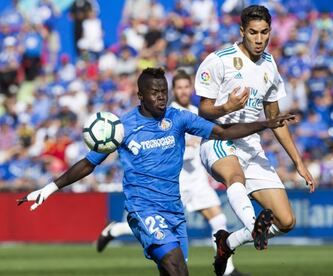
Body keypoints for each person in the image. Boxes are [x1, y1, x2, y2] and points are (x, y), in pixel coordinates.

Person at [18, 68, 294, 276]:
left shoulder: (178, 118)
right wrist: (49, 188)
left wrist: (265, 124)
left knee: (171, 271)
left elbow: (222, 132)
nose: (161, 96)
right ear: (140, 95)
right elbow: (89, 163)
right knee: (178, 269)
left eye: (164, 91)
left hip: (174, 211)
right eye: (155, 92)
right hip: (144, 210)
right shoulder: (123, 128)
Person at [194, 5, 316, 275]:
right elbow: (204, 109)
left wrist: (298, 162)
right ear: (242, 32)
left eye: (264, 33)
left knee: (286, 221)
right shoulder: (220, 60)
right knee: (234, 177)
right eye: (253, 33)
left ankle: (228, 242)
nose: (259, 39)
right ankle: (252, 226)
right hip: (219, 137)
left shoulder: (270, 66)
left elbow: (274, 119)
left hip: (250, 145)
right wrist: (227, 107)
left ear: (270, 32)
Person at [95, 70, 249, 276]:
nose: (184, 91)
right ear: (174, 91)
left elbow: (211, 133)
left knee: (218, 220)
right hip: (175, 184)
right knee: (160, 233)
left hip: (197, 180)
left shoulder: (194, 111)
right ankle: (114, 230)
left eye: (187, 87)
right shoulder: (166, 112)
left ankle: (228, 271)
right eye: (180, 88)